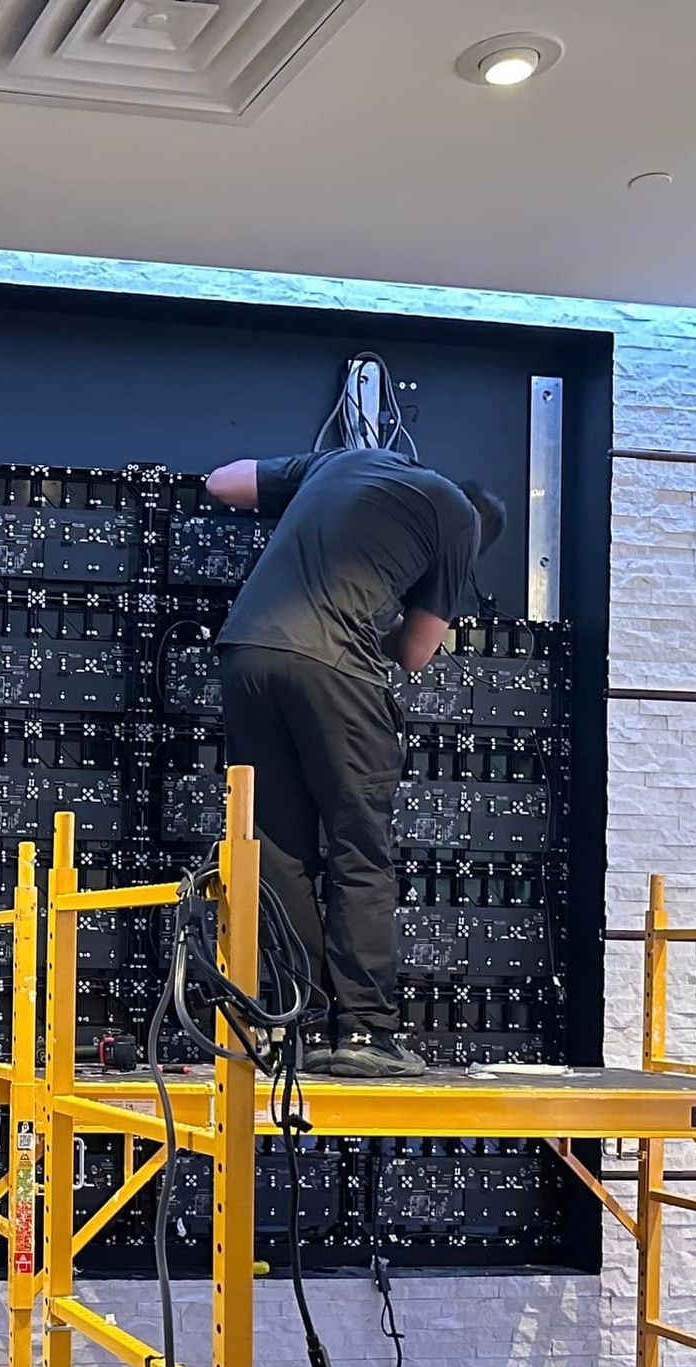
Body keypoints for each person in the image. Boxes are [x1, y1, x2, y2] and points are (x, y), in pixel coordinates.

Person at [204, 447, 506, 1079]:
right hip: (335, 666)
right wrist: (390, 615)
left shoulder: (344, 460)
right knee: (358, 849)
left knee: (277, 850)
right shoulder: (460, 519)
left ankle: (292, 1026)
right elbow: (417, 652)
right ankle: (365, 1033)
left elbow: (223, 483)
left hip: (246, 652)